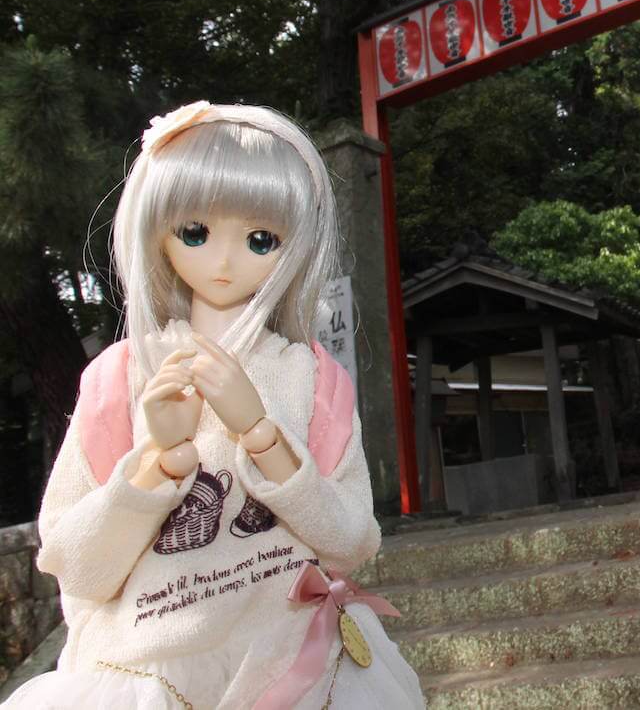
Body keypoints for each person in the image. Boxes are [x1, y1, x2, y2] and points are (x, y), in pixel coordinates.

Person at [2, 102, 424, 709]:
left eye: (260, 239)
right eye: (195, 232)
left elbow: (352, 542)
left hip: (296, 656)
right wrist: (159, 460)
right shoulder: (119, 377)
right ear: (156, 231)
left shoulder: (313, 378)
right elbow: (80, 567)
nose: (224, 262)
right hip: (146, 668)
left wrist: (260, 433)